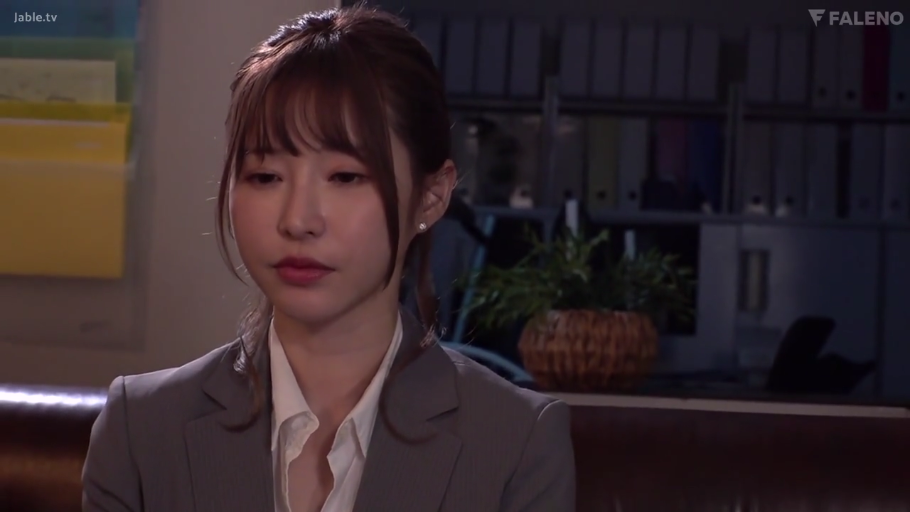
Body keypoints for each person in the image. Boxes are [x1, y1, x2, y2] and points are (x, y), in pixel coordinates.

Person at [81, 6, 575, 512]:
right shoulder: (142, 429)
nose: (298, 220)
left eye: (345, 177)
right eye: (265, 177)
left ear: (431, 196)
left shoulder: (516, 444)